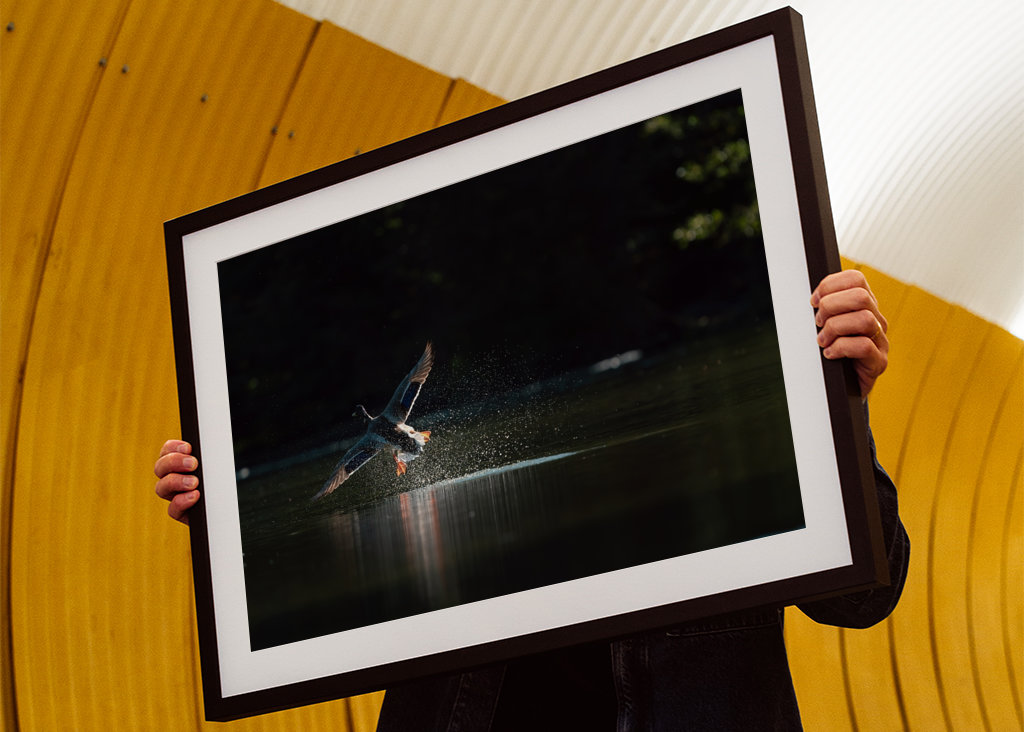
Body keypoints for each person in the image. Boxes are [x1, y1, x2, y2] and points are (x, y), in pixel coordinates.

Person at [155, 269, 909, 730]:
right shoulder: (436, 518)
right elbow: (324, 599)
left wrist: (841, 403)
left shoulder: (768, 415)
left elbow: (864, 597)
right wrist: (228, 524)